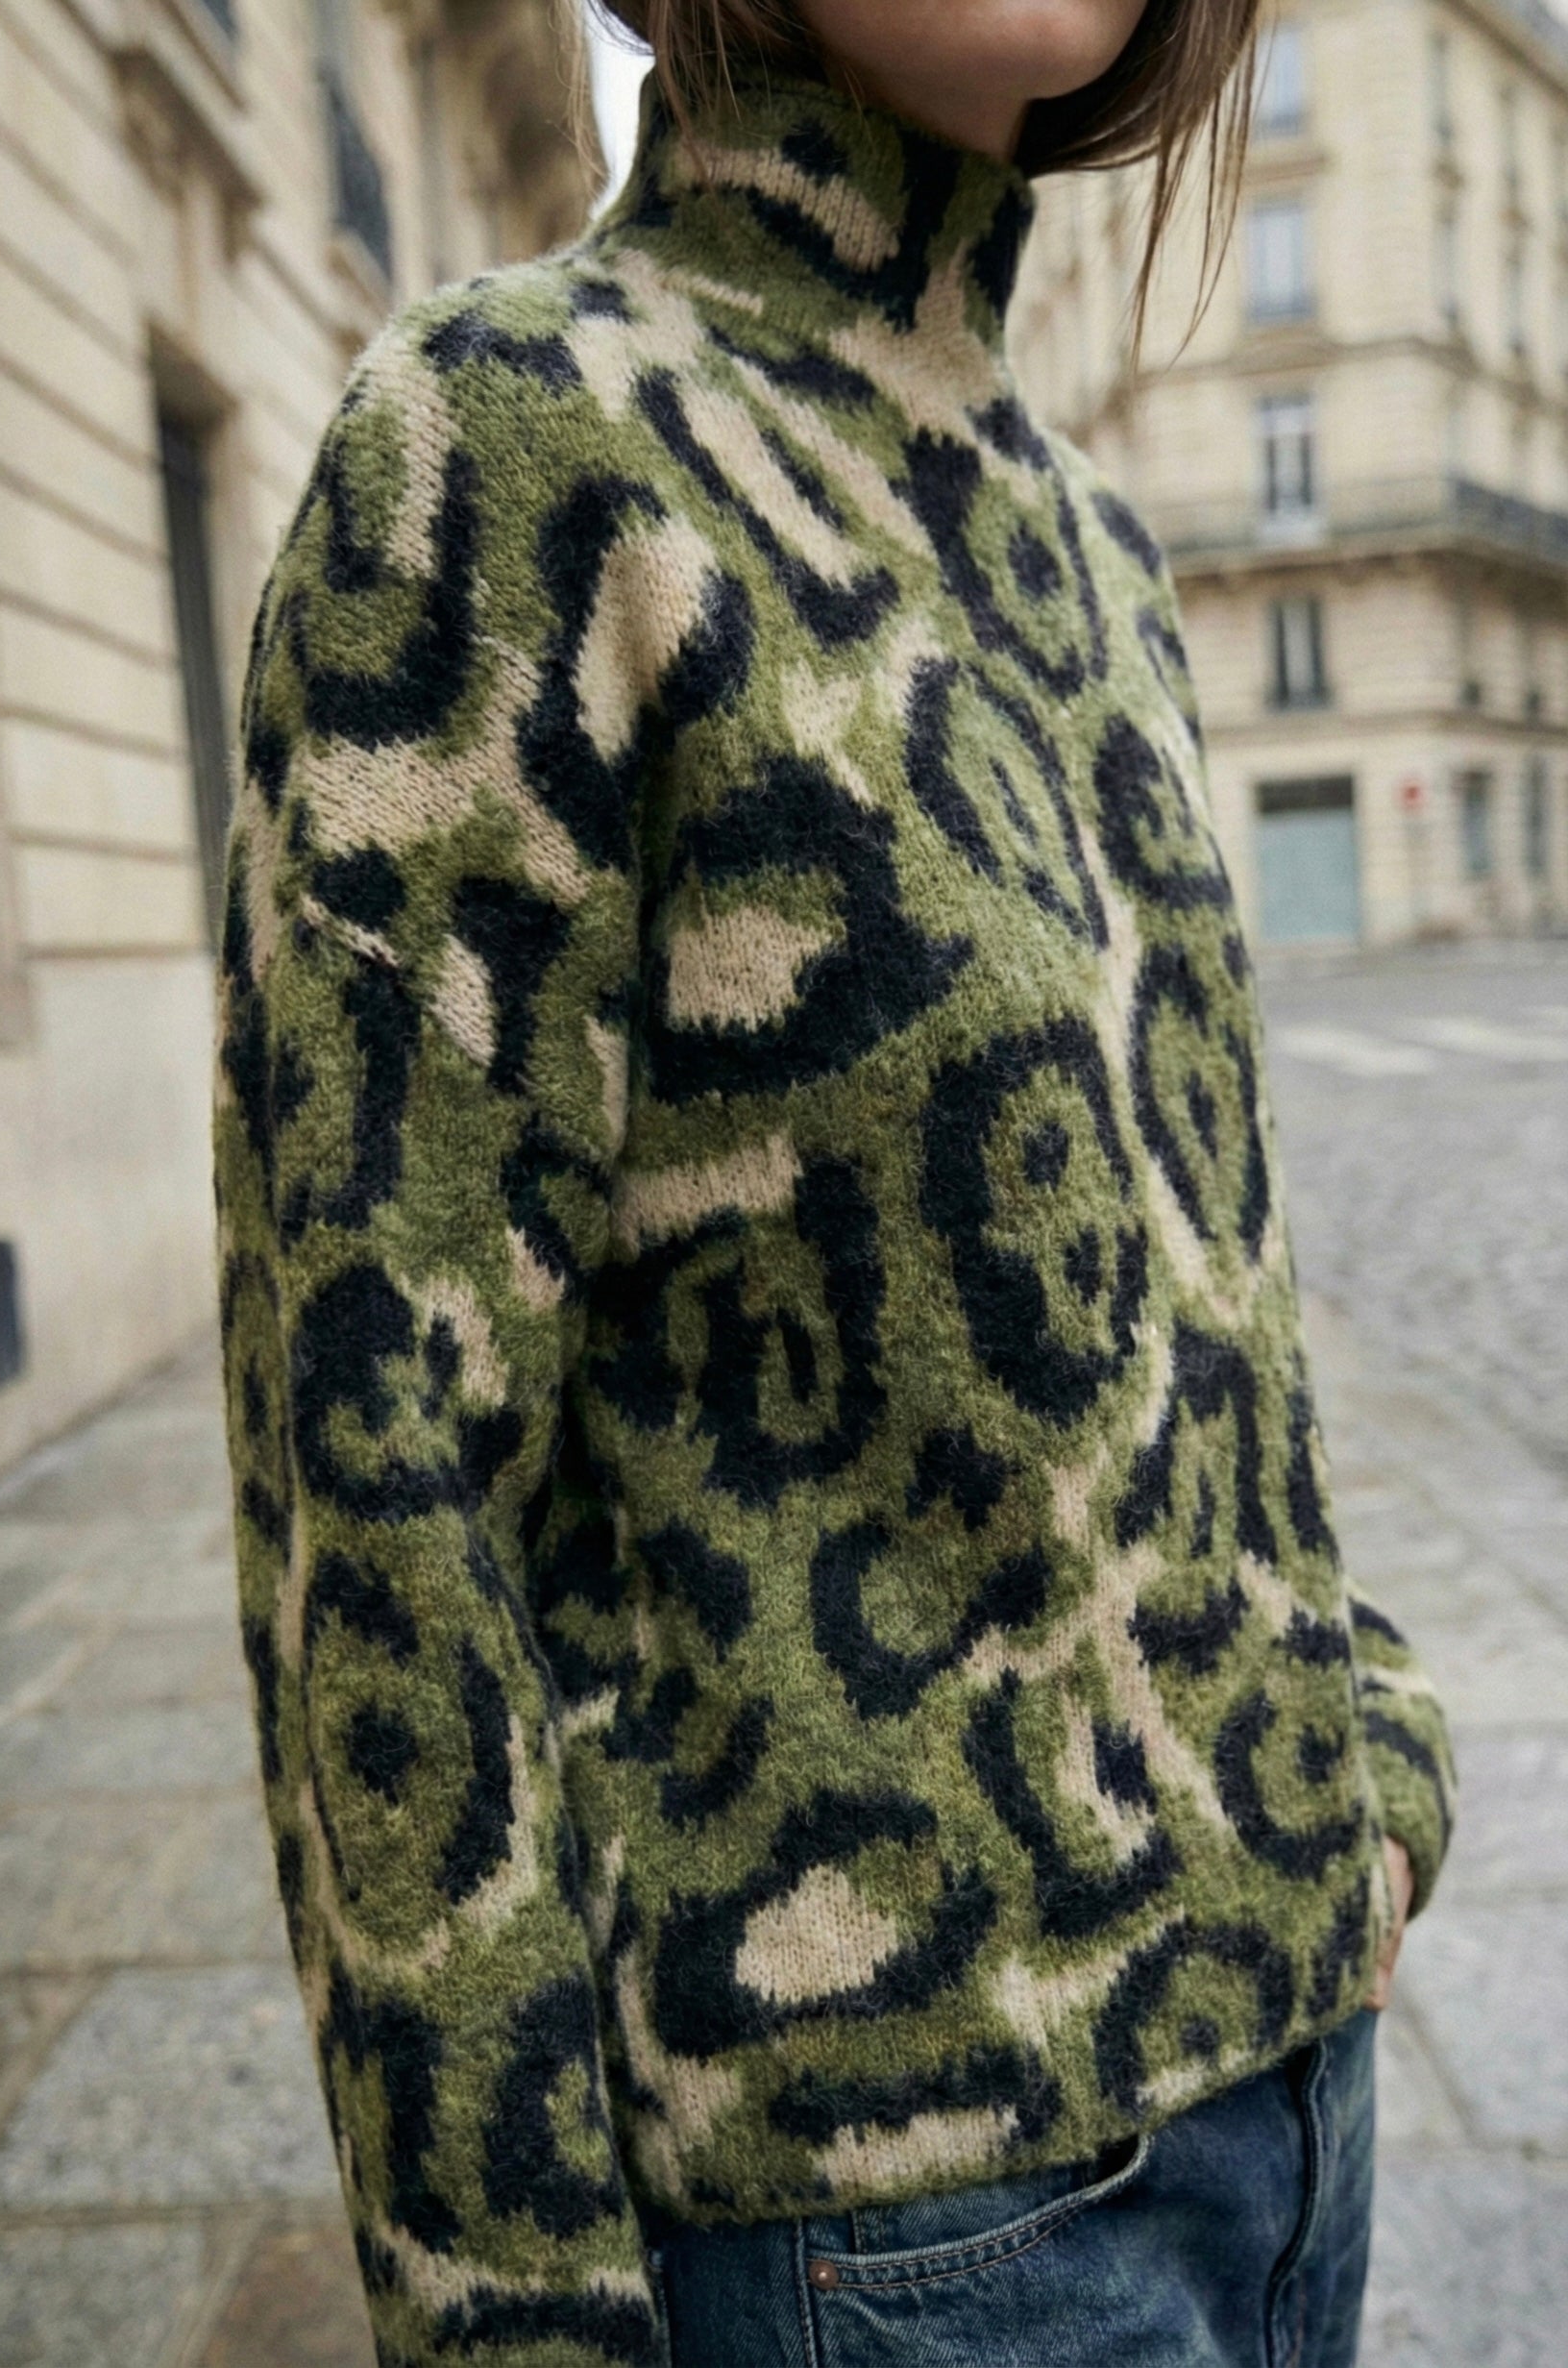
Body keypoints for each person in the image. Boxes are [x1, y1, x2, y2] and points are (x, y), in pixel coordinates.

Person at [213, 1, 1455, 2360]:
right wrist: (515, 2314)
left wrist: (1365, 1750)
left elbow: (1204, 1291)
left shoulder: (1099, 543)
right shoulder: (515, 434)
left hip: (1300, 2108)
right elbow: (374, 1502)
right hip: (895, 2225)